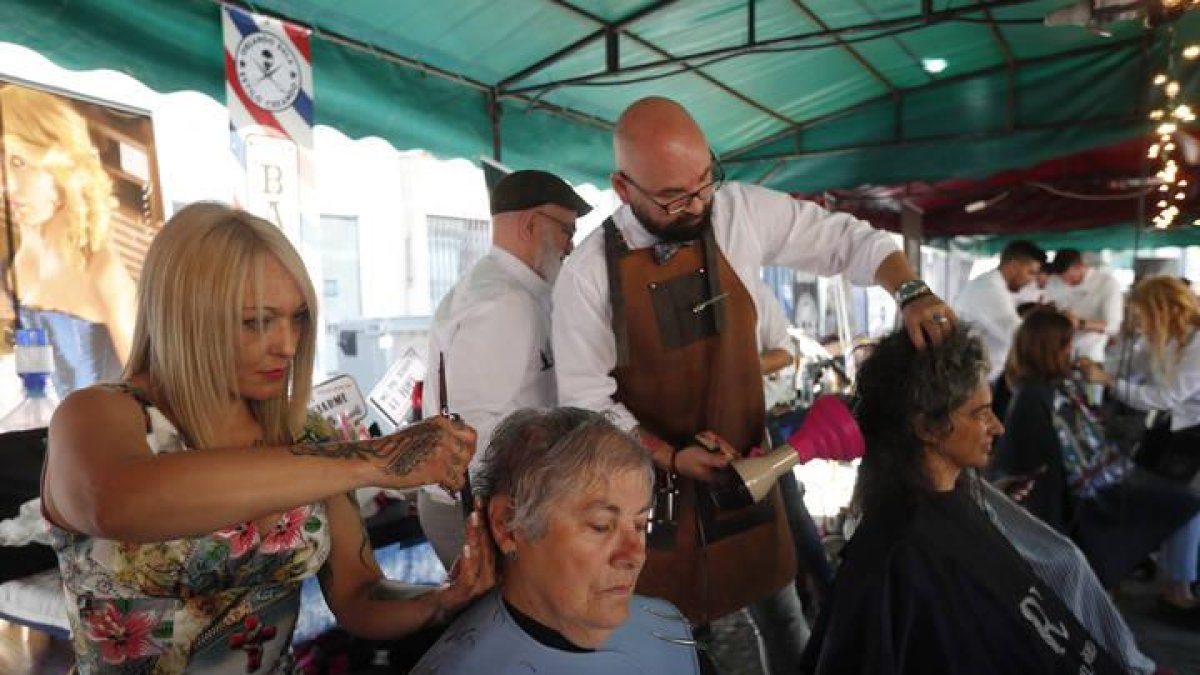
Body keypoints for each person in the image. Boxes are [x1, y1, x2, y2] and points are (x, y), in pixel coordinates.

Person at [552, 96, 955, 674]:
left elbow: (848, 241)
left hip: (751, 465)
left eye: (703, 182)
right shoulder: (587, 276)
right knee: (672, 639)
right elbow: (586, 405)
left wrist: (910, 290)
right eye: (673, 196)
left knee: (781, 612)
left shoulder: (737, 212)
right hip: (649, 495)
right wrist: (670, 454)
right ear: (622, 187)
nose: (696, 205)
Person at [41, 203, 493, 674]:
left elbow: (360, 594)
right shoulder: (97, 415)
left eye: (297, 318)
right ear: (186, 318)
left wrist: (443, 599)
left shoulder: (300, 435)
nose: (288, 345)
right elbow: (115, 502)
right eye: (257, 322)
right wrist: (374, 459)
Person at [802, 328, 1140, 675]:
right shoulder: (898, 554)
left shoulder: (954, 499)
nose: (998, 427)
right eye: (980, 413)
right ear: (927, 427)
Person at [411, 408, 702, 674]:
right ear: (509, 526)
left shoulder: (668, 627)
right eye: (601, 527)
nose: (636, 554)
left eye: (639, 524)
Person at [418, 169, 591, 570]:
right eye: (566, 229)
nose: (571, 244)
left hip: (493, 499)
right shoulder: (503, 303)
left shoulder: (507, 289)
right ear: (531, 225)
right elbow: (476, 429)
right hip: (480, 506)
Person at [998, 308, 1199, 593]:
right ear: (1056, 347)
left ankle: (1172, 583)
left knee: (1184, 500)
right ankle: (1175, 590)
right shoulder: (1032, 398)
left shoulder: (1056, 387)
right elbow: (1025, 465)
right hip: (1073, 496)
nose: (1072, 349)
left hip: (1092, 480)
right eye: (1068, 343)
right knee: (1183, 501)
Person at [0, 84, 137, 394]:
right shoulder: (13, 267)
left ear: (60, 163)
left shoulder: (102, 271)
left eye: (18, 162)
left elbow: (153, 396)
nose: (6, 184)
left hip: (106, 439)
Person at [1079, 275, 1200, 612]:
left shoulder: (1198, 343)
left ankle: (1179, 588)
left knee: (1184, 506)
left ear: (1162, 311)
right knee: (1150, 493)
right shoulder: (1163, 338)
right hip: (1172, 428)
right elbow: (1133, 367)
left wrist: (1107, 380)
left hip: (1190, 432)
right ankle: (1147, 560)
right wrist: (1101, 366)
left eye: (1142, 315)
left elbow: (1163, 397)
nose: (1139, 322)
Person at [951, 239, 1045, 383]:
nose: (1031, 280)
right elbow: (1019, 335)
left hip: (979, 376)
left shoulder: (997, 285)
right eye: (1030, 272)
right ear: (1013, 266)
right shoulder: (989, 288)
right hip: (968, 380)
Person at [1045, 248, 1124, 365]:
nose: (1066, 283)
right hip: (1055, 354)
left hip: (1088, 357)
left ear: (1081, 266)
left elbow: (1113, 326)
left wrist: (1080, 323)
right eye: (1062, 279)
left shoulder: (1106, 284)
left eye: (1071, 278)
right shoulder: (1054, 280)